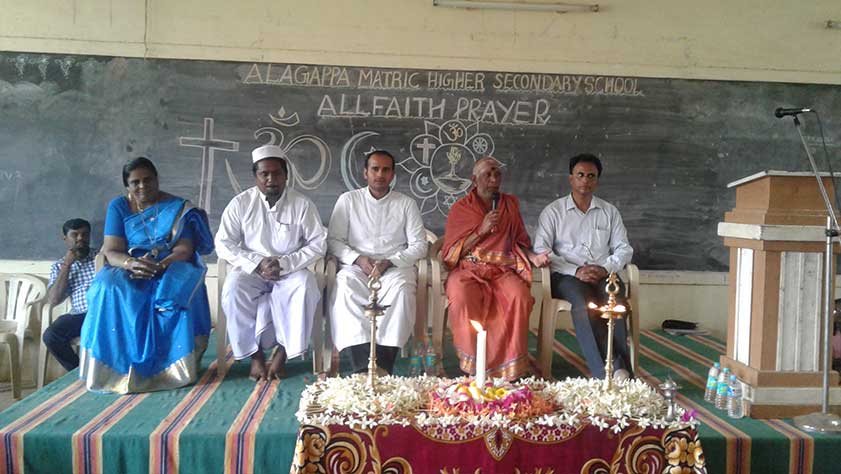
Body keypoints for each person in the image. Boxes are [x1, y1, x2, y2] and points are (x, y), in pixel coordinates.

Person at [79, 157, 214, 393]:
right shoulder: (119, 206)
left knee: (172, 292)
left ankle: (169, 371)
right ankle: (115, 370)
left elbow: (184, 250)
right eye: (135, 182)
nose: (142, 186)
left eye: (148, 180)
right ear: (127, 186)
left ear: (157, 179)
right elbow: (111, 250)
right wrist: (131, 263)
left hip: (171, 264)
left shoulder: (178, 207)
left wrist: (160, 265)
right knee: (107, 287)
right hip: (130, 265)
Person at [216, 145, 327, 382]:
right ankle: (255, 357)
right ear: (255, 176)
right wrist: (257, 263)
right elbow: (223, 243)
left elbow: (318, 244)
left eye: (276, 173)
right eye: (264, 174)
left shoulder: (302, 204)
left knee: (306, 286)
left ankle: (283, 354)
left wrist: (284, 263)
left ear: (286, 175)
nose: (270, 179)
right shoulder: (240, 203)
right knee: (233, 288)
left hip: (289, 270)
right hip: (252, 271)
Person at [442, 156, 549, 381]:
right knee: (461, 297)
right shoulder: (460, 209)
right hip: (469, 270)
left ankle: (509, 369)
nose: (493, 179)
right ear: (474, 180)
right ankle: (472, 366)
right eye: (487, 175)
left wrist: (534, 257)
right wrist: (481, 231)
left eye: (497, 174)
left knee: (519, 297)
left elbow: (519, 241)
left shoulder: (509, 205)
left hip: (501, 271)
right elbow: (451, 255)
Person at [534, 153, 634, 380]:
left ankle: (621, 370)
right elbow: (542, 250)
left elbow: (624, 248)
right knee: (584, 304)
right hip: (566, 276)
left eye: (591, 176)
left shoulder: (609, 212)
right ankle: (607, 373)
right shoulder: (554, 212)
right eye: (580, 175)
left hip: (603, 274)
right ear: (571, 178)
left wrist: (605, 268)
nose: (585, 181)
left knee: (615, 302)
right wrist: (576, 271)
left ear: (597, 181)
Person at [327, 150, 427, 375]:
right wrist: (358, 259)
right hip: (355, 266)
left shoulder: (406, 204)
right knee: (345, 289)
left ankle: (383, 366)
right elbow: (334, 240)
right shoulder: (348, 200)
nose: (380, 174)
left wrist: (389, 262)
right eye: (375, 169)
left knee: (401, 292)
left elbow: (420, 245)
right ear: (365, 173)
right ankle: (361, 368)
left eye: (385, 170)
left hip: (394, 267)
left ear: (392, 174)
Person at [43, 218, 97, 372]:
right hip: (79, 315)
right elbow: (54, 299)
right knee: (51, 336)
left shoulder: (102, 256)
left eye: (85, 234)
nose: (80, 239)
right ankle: (79, 373)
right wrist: (67, 265)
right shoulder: (59, 266)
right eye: (75, 235)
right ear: (65, 239)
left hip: (102, 312)